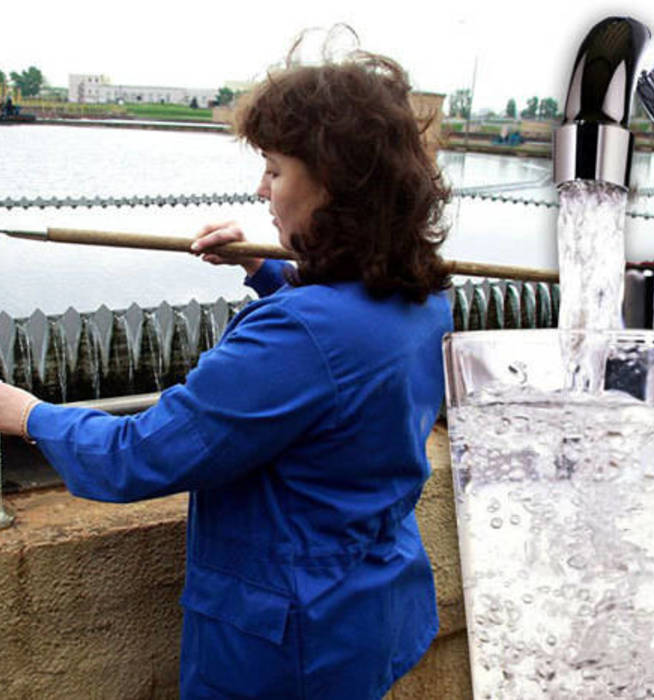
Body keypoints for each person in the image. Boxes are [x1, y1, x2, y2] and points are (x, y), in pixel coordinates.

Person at [0, 47, 452, 699]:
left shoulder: (299, 333)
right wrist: (264, 271)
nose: (262, 190)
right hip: (368, 612)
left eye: (275, 170)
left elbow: (142, 455)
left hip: (286, 651)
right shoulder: (420, 299)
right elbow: (345, 352)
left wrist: (26, 414)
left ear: (335, 185)